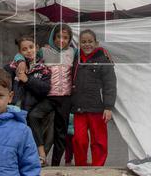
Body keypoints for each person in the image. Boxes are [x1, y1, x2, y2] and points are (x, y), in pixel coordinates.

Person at [26, 24, 76, 166]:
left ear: (70, 39)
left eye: (66, 38)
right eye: (59, 37)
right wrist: (19, 60)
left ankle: (54, 164)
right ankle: (41, 153)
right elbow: (27, 54)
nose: (62, 40)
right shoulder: (43, 51)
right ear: (53, 37)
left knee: (61, 133)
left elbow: (86, 56)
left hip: (65, 99)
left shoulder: (73, 52)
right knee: (33, 116)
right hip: (49, 97)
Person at [70, 29, 116, 166]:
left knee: (99, 140)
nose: (87, 45)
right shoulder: (76, 60)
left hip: (98, 108)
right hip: (79, 108)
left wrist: (108, 107)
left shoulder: (104, 60)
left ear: (96, 43)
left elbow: (110, 85)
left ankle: (98, 167)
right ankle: (81, 166)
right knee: (79, 139)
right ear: (79, 44)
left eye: (90, 41)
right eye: (83, 42)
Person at [6, 34, 52, 160]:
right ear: (19, 52)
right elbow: (4, 79)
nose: (29, 51)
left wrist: (27, 80)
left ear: (37, 47)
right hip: (15, 106)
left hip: (33, 106)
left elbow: (45, 89)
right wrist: (19, 60)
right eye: (24, 49)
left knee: (31, 127)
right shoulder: (14, 67)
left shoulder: (43, 68)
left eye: (31, 47)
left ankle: (41, 156)